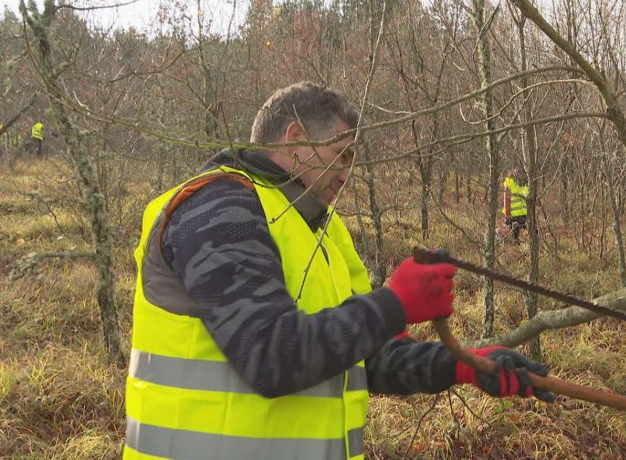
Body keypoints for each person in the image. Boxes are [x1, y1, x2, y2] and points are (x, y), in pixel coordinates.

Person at [124, 82, 554, 460]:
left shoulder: (325, 233)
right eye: (340, 155)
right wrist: (396, 302)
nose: (347, 173)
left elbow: (367, 358)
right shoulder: (219, 206)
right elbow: (269, 355)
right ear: (295, 139)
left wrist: (462, 364)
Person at [502, 169, 529, 243]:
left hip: (524, 214)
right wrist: (507, 215)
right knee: (514, 237)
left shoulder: (525, 184)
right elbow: (507, 201)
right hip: (513, 215)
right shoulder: (509, 184)